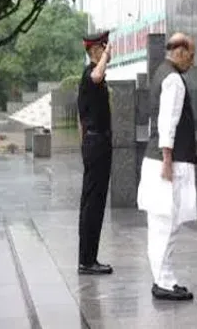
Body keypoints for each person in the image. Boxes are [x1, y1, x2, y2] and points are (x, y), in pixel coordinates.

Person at [137, 32, 197, 301]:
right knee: (168, 223)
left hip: (157, 159)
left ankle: (163, 278)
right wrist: (168, 160)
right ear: (181, 52)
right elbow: (166, 123)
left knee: (159, 223)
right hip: (168, 162)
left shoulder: (161, 71)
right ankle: (164, 282)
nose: (192, 62)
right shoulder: (173, 79)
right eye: (191, 55)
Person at [76, 30, 114, 276]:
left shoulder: (90, 76)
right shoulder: (90, 73)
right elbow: (98, 74)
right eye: (104, 48)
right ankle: (87, 261)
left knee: (94, 203)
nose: (108, 52)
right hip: (96, 143)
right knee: (93, 204)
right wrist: (104, 57)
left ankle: (89, 257)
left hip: (95, 144)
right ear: (95, 51)